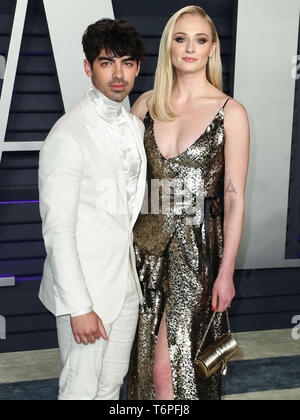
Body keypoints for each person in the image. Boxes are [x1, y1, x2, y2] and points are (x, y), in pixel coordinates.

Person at [126, 6, 250, 400]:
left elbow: (234, 201)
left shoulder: (231, 113)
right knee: (142, 368)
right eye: (181, 39)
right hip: (141, 250)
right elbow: (124, 186)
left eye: (199, 40)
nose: (190, 48)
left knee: (171, 370)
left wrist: (227, 272)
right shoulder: (145, 105)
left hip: (196, 256)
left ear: (212, 48)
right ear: (169, 47)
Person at [38, 19, 147, 400]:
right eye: (107, 62)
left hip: (125, 285)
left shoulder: (134, 128)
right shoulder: (68, 135)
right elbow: (58, 231)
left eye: (128, 63)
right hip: (84, 292)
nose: (118, 74)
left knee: (109, 389)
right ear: (88, 67)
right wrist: (79, 307)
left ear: (137, 68)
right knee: (80, 391)